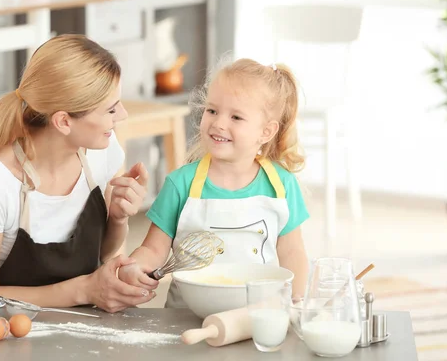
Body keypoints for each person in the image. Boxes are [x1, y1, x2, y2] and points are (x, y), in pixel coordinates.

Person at [0, 34, 156, 313]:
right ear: (63, 121)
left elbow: (102, 254)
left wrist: (118, 220)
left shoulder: (101, 154)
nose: (122, 115)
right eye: (110, 109)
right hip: (12, 339)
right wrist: (84, 290)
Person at [118, 58, 310, 307]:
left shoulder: (281, 186)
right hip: (186, 317)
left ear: (266, 131)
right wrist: (135, 266)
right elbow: (154, 249)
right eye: (212, 110)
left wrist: (296, 301)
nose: (219, 123)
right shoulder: (181, 183)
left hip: (256, 315)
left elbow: (293, 253)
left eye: (236, 117)